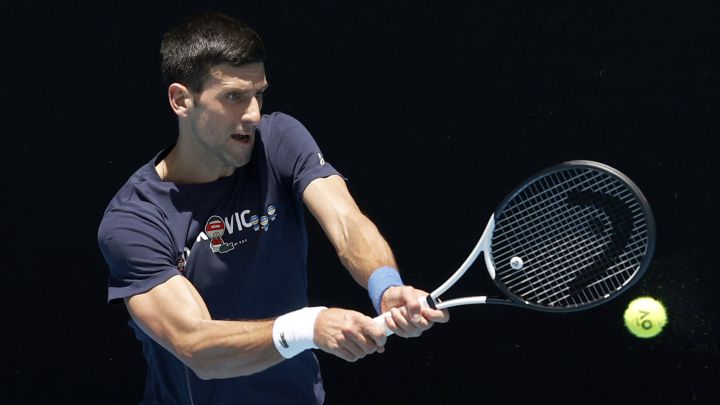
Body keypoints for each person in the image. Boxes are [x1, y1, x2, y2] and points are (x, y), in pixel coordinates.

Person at [97, 11, 448, 405]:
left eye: (258, 93)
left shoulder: (278, 139)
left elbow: (347, 223)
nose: (252, 114)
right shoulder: (134, 220)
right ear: (181, 100)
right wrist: (308, 326)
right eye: (233, 96)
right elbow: (197, 346)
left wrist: (386, 286)